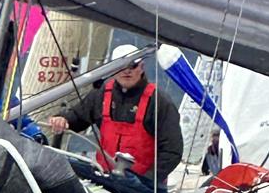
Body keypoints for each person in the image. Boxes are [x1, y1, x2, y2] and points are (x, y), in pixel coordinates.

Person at [48, 44, 183, 182]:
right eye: (121, 67)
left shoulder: (159, 101)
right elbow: (77, 117)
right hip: (104, 180)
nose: (127, 71)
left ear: (141, 67)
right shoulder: (101, 94)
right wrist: (62, 119)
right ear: (112, 69)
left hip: (144, 187)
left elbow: (172, 150)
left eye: (133, 66)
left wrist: (147, 181)